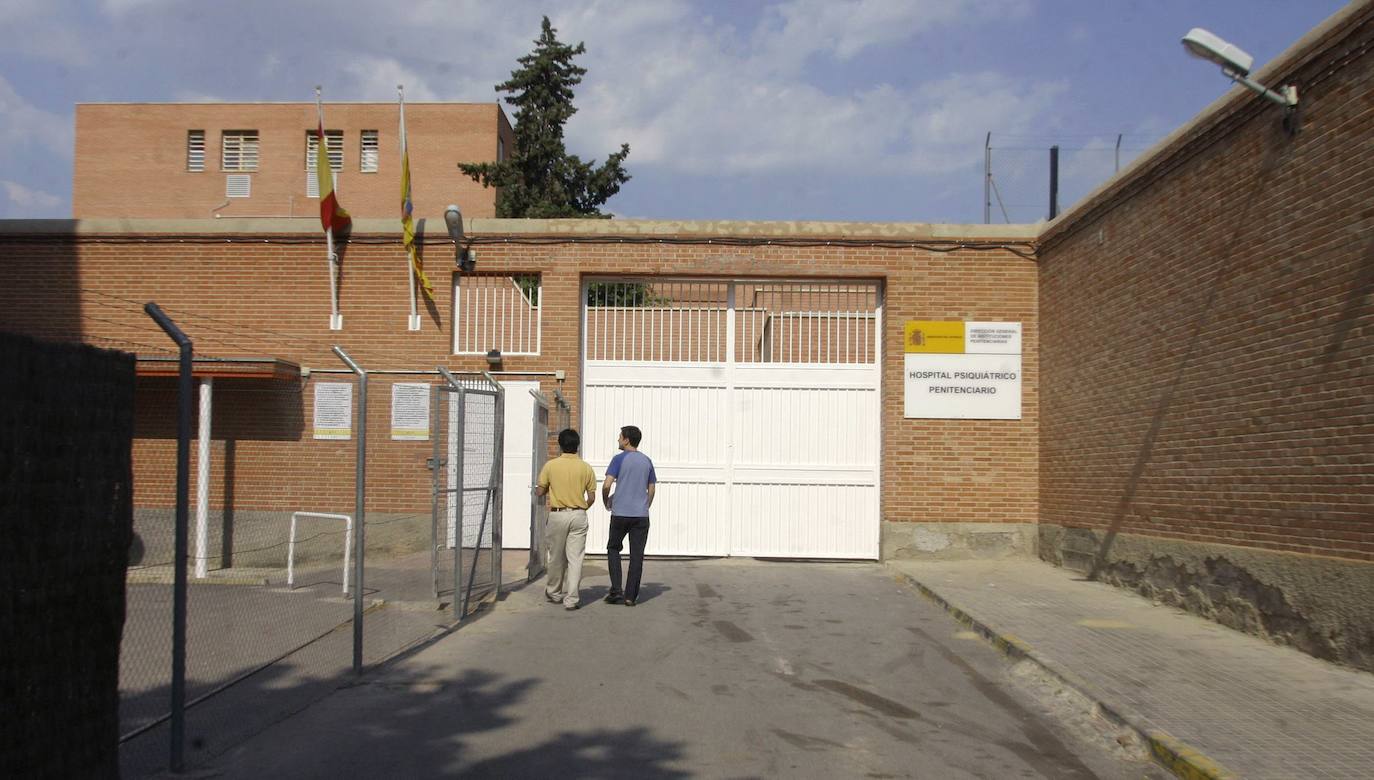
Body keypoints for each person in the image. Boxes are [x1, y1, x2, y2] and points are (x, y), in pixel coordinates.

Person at [535, 428, 597, 610]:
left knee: (555, 557)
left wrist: (542, 488)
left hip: (558, 514)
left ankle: (554, 592)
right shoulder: (586, 467)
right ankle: (572, 599)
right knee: (575, 558)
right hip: (578, 514)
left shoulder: (551, 465)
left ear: (560, 445)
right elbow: (591, 497)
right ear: (577, 445)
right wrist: (582, 507)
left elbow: (540, 491)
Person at [602, 425, 656, 607]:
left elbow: (607, 485)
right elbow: (652, 488)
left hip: (620, 514)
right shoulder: (647, 461)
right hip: (640, 515)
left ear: (626, 440)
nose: (618, 440)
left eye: (619, 437)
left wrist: (606, 501)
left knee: (613, 548)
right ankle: (630, 596)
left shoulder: (618, 459)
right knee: (636, 555)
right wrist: (645, 505)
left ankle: (616, 589)